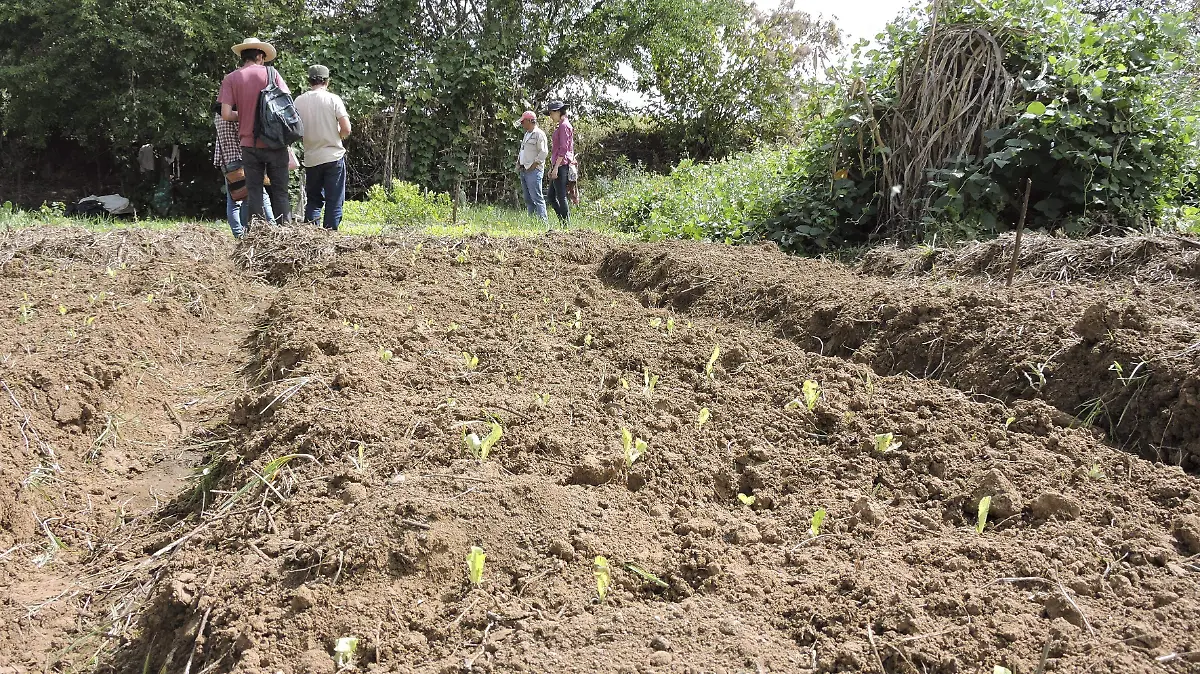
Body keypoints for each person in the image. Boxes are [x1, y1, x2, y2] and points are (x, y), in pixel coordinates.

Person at [218, 37, 292, 224]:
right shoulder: (272, 73)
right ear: (259, 56)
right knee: (280, 191)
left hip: (248, 144)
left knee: (254, 193)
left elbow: (226, 114)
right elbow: (286, 104)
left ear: (243, 56)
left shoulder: (231, 78)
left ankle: (257, 237)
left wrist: (244, 114)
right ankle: (287, 236)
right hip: (274, 142)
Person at [294, 65, 351, 230]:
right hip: (333, 156)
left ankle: (311, 238)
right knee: (334, 201)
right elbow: (346, 129)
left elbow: (295, 130)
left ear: (309, 80)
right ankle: (330, 237)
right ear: (327, 81)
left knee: (313, 201)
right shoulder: (333, 99)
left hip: (311, 158)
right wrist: (337, 135)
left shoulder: (299, 101)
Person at [212, 102, 273, 237]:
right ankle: (272, 228)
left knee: (235, 199)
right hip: (242, 159)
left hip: (227, 161)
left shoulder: (218, 116)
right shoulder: (235, 116)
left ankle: (240, 234)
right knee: (260, 195)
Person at [514, 110, 548, 222]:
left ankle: (543, 222)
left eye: (524, 122)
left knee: (537, 197)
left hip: (533, 170)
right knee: (528, 199)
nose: (522, 124)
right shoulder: (527, 134)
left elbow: (543, 152)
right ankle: (533, 222)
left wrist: (535, 164)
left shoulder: (539, 134)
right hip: (524, 169)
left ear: (530, 121)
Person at [545, 101, 575, 227]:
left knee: (561, 196)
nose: (551, 116)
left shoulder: (564, 126)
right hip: (558, 164)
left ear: (558, 112)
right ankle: (563, 223)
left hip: (561, 165)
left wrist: (556, 167)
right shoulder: (562, 125)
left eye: (552, 113)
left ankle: (566, 225)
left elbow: (563, 149)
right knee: (551, 196)